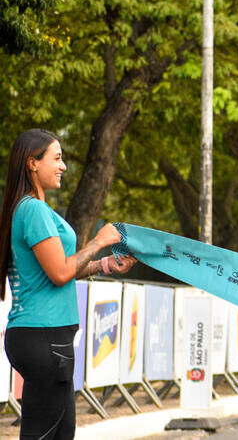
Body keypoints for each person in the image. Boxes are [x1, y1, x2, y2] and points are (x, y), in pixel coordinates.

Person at [0, 129, 136, 439]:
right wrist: (98, 242)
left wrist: (103, 265)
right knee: (44, 432)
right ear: (33, 163)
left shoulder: (34, 208)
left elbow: (58, 269)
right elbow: (60, 273)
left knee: (62, 431)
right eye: (57, 158)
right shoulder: (32, 209)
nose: (63, 166)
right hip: (43, 335)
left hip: (45, 336)